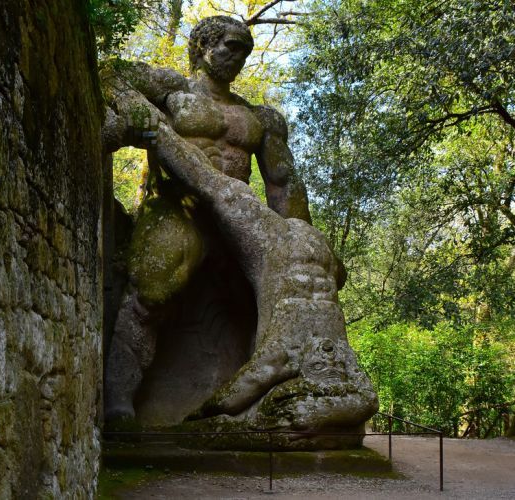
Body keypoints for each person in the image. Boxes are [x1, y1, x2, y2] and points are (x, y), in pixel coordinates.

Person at [102, 16, 342, 423]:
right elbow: (110, 75)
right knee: (151, 288)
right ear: (202, 46)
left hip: (240, 220)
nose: (239, 57)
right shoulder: (171, 90)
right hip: (181, 205)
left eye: (246, 50)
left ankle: (266, 395)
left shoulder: (261, 119)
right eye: (231, 46)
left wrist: (302, 238)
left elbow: (282, 184)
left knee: (275, 293)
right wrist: (133, 112)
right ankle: (118, 398)